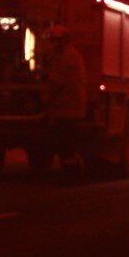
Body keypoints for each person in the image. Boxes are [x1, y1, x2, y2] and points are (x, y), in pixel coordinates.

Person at [41, 24, 87, 179]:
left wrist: (45, 99)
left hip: (67, 108)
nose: (51, 44)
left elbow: (56, 81)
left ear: (62, 41)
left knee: (64, 142)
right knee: (64, 142)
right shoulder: (64, 55)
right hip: (65, 108)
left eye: (54, 41)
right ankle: (70, 171)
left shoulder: (67, 56)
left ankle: (71, 173)